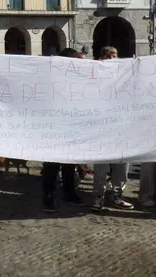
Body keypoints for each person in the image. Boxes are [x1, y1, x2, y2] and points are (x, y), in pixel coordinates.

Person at [41, 48, 85, 213]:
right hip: (54, 127)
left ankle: (69, 192)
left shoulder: (78, 80)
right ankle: (48, 195)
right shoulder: (51, 79)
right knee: (52, 164)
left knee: (70, 162)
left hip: (72, 125)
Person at [92, 46, 133, 211]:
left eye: (114, 55)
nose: (111, 59)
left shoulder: (126, 77)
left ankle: (116, 195)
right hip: (101, 129)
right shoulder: (93, 77)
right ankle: (98, 197)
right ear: (101, 59)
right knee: (101, 167)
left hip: (122, 128)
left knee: (122, 165)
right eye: (107, 56)